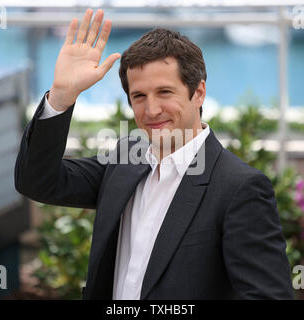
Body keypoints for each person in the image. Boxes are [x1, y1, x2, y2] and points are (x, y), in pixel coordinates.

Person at [15, 8, 294, 300]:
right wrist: (61, 96)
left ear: (198, 92)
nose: (151, 110)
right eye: (139, 96)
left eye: (164, 92)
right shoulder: (124, 159)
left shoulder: (240, 188)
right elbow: (38, 181)